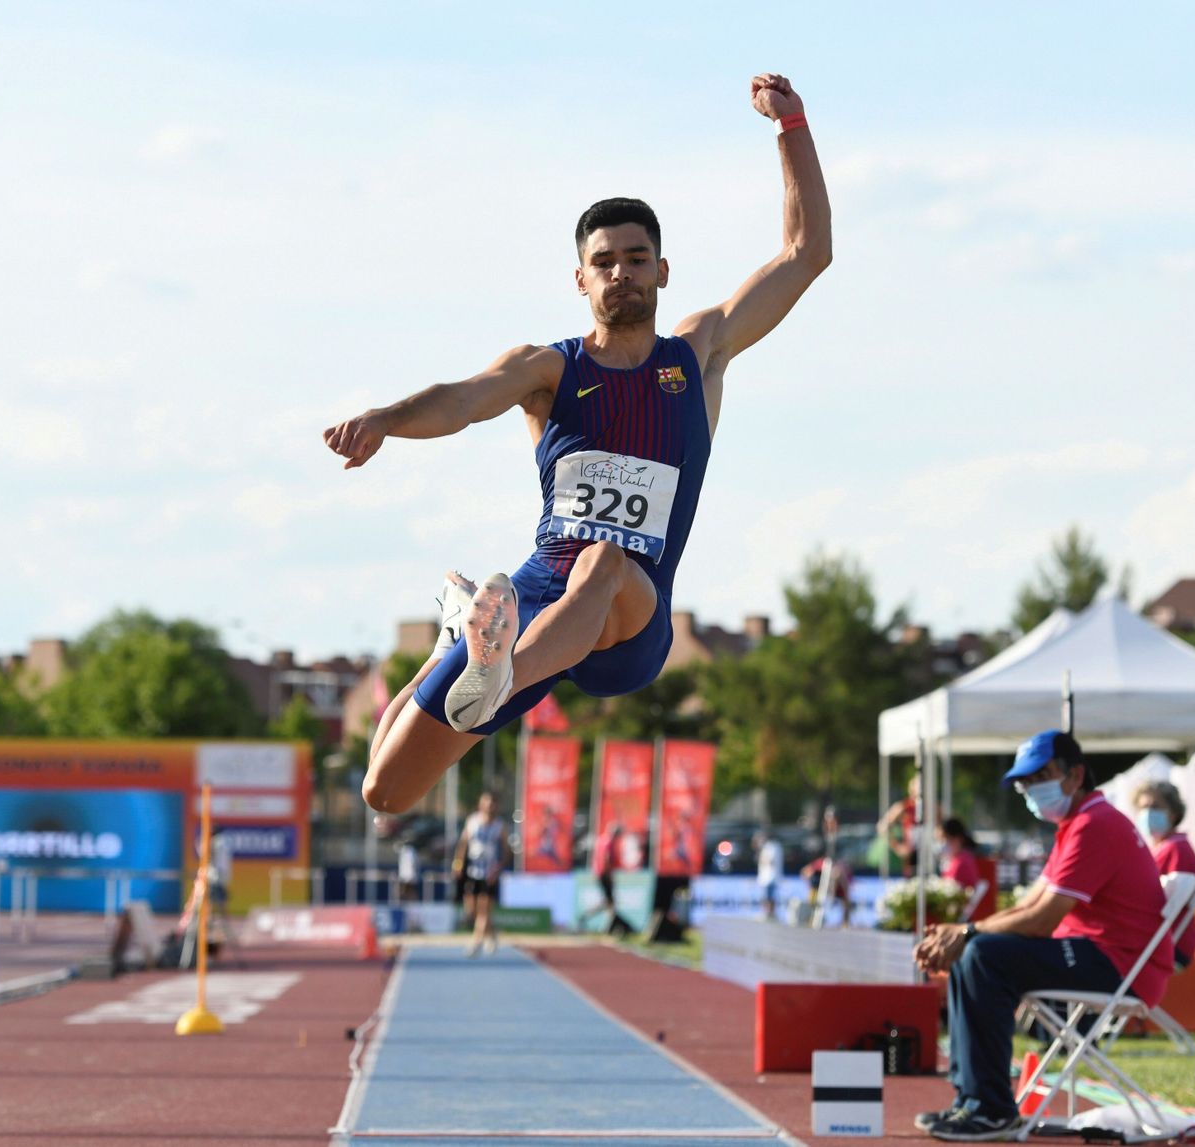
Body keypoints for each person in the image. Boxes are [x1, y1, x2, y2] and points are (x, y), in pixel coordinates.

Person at [324, 74, 831, 816]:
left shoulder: (698, 353)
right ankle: (454, 648)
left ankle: (495, 674)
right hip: (533, 598)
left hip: (630, 611)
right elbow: (463, 400)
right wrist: (385, 418)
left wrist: (792, 128)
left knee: (602, 559)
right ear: (580, 279)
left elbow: (805, 252)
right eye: (605, 262)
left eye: (635, 257)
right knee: (386, 788)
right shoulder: (548, 368)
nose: (621, 272)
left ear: (662, 270)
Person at [911, 731, 1173, 1141]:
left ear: (1076, 775)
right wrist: (958, 934)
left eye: (1042, 775)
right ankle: (970, 1101)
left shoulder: (1095, 824)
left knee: (982, 955)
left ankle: (990, 1108)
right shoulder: (1078, 824)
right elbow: (1026, 908)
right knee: (973, 951)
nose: (1032, 788)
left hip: (1121, 967)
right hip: (1104, 956)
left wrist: (966, 932)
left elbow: (1041, 920)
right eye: (1025, 781)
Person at [1132, 778, 1195, 966]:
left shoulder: (1177, 849)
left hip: (1169, 943)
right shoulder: (1162, 847)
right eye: (1142, 807)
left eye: (1154, 806)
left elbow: (1164, 902)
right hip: (1159, 941)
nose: (1147, 813)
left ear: (1173, 813)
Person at [454, 792, 509, 956]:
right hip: (472, 871)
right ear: (480, 804)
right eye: (486, 803)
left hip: (489, 873)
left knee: (484, 910)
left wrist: (498, 868)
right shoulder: (472, 821)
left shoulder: (500, 826)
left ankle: (475, 943)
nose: (489, 806)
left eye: (492, 803)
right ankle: (492, 934)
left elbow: (507, 851)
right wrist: (458, 864)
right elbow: (463, 844)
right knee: (472, 911)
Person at [939, 817, 982, 891]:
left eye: (947, 839)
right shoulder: (957, 859)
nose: (944, 844)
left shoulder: (962, 862)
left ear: (958, 839)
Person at [754, 829, 784, 920]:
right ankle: (768, 912)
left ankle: (770, 913)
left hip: (770, 876)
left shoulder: (772, 847)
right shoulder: (772, 846)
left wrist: (761, 858)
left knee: (769, 896)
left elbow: (770, 860)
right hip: (767, 876)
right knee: (767, 896)